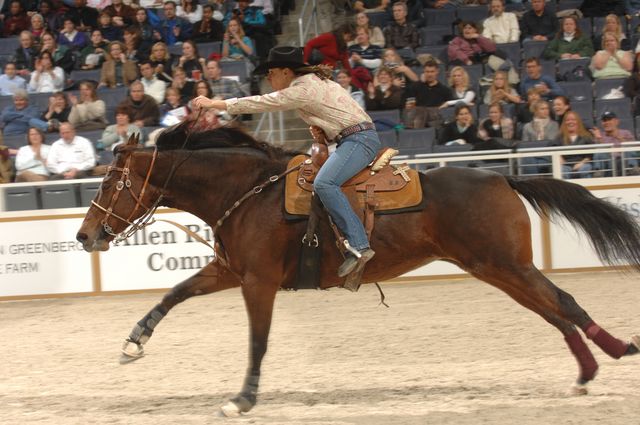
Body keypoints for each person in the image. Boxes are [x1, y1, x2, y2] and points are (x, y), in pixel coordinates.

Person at [193, 46, 380, 277]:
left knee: (324, 184)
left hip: (357, 140)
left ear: (284, 71)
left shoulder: (301, 89)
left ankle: (359, 245)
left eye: (270, 73)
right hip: (353, 138)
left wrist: (215, 104)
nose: (268, 78)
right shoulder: (315, 82)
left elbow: (263, 102)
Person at [403, 60, 452, 129]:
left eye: (432, 71)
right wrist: (408, 105)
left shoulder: (445, 90)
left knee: (422, 110)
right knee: (419, 111)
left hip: (435, 116)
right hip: (418, 116)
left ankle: (414, 131)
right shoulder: (416, 87)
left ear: (437, 72)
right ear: (424, 72)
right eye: (427, 72)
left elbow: (449, 108)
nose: (429, 74)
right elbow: (409, 103)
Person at [592, 111, 637, 176]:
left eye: (609, 120)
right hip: (609, 162)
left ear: (616, 121)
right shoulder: (599, 136)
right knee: (599, 152)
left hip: (624, 159)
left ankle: (633, 168)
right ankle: (598, 172)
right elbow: (598, 153)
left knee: (629, 150)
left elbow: (634, 148)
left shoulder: (626, 133)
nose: (607, 123)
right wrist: (599, 139)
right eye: (604, 121)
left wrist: (618, 137)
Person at [553, 111, 594, 179]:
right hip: (566, 165)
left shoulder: (586, 136)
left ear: (578, 122)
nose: (570, 122)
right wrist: (559, 157)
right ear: (564, 122)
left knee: (585, 169)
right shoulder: (560, 137)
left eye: (573, 120)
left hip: (582, 163)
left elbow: (590, 155)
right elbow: (553, 147)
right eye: (568, 120)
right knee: (562, 170)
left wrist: (581, 163)